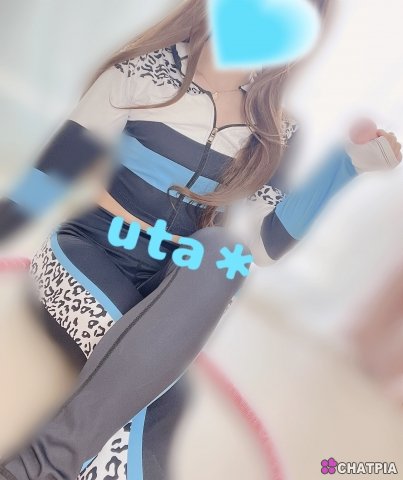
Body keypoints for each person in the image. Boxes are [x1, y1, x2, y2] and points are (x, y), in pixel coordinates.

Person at [0, 1, 401, 479]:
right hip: (90, 252)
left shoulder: (275, 130)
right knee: (161, 397)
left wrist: (347, 166)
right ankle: (42, 467)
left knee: (226, 252)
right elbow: (47, 180)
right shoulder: (140, 74)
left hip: (176, 280)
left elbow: (263, 246)